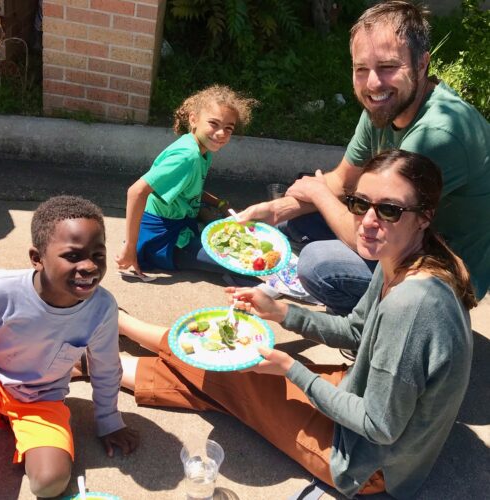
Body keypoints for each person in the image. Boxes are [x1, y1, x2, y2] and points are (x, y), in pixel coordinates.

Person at [115, 150, 476, 498]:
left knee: (226, 379)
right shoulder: (402, 259)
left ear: (425, 216)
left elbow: (379, 425)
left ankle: (111, 351)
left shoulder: (411, 305)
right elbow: (355, 330)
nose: (367, 221)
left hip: (368, 462)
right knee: (229, 372)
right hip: (366, 397)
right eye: (360, 203)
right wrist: (283, 313)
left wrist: (291, 369)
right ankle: (117, 339)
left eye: (389, 210)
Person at [238, 0, 490, 315]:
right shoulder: (385, 105)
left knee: (317, 265)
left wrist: (316, 192)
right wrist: (276, 210)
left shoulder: (438, 134)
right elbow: (342, 181)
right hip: (401, 225)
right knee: (299, 221)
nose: (372, 84)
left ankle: (373, 326)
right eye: (361, 69)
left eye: (387, 67)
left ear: (422, 64)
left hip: (444, 270)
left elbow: (368, 237)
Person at [0, 196, 139, 498]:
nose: (88, 267)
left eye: (98, 255)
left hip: (40, 400)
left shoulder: (102, 308)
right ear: (37, 258)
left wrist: (109, 421)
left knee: (50, 482)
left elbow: (107, 367)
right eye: (72, 256)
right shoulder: (0, 291)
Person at [116, 84, 257, 277]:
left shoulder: (202, 149)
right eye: (214, 124)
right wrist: (130, 247)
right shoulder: (187, 157)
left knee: (229, 237)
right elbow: (136, 191)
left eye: (228, 128)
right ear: (193, 119)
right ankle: (142, 248)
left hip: (180, 219)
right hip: (162, 236)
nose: (221, 133)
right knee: (238, 261)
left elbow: (191, 189)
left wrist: (221, 203)